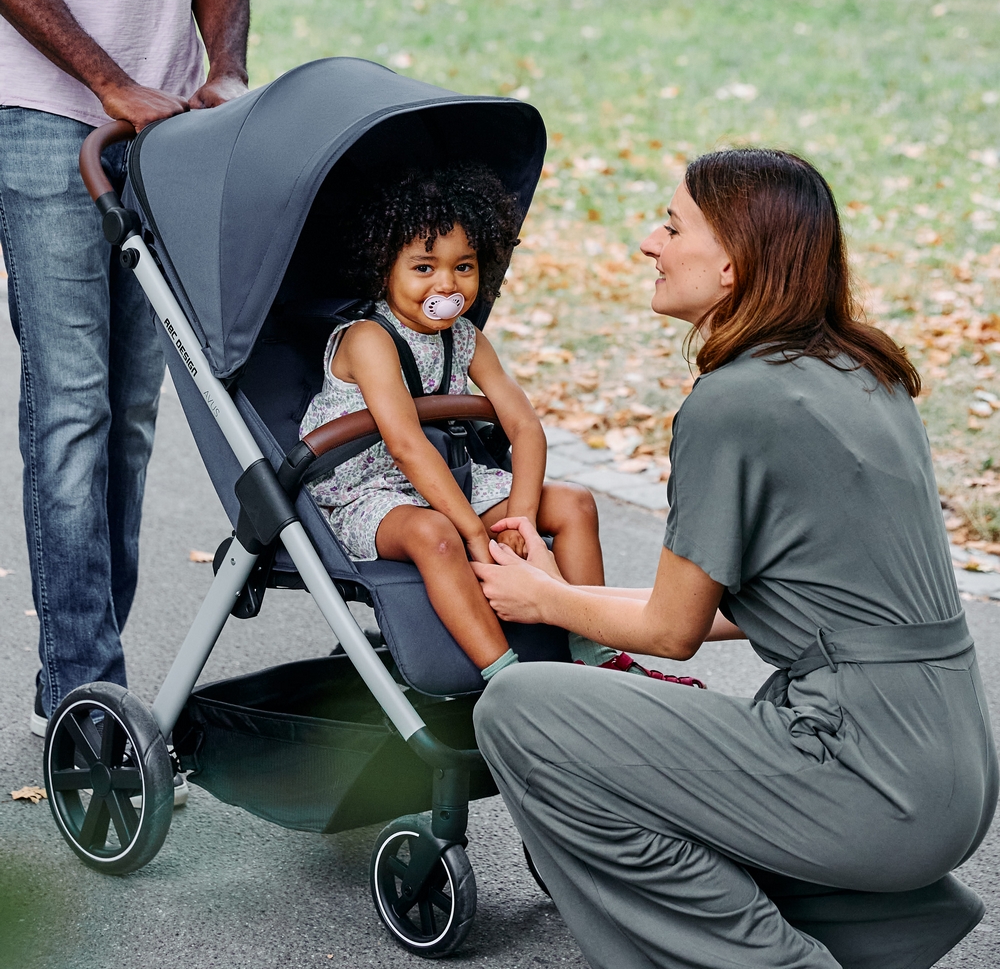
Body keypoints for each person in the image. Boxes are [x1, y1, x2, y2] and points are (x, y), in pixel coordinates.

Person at [471, 148, 998, 968]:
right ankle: (876, 934)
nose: (650, 241)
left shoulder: (733, 403)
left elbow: (672, 630)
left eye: (673, 224)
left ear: (733, 263)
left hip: (869, 778)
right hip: (953, 772)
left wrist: (542, 598)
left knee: (520, 711)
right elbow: (765, 601)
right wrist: (565, 589)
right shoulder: (864, 369)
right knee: (696, 737)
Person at [301, 164, 690, 682]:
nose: (447, 284)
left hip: (447, 477)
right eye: (424, 268)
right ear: (383, 268)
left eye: (464, 266)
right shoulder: (368, 339)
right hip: (367, 488)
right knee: (436, 533)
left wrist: (520, 522)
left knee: (573, 503)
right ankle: (506, 677)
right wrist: (474, 532)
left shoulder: (465, 338)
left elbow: (525, 427)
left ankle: (597, 655)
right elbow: (405, 446)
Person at [0, 0, 250, 754]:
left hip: (164, 121)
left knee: (130, 417)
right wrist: (110, 82)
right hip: (42, 115)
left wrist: (227, 67)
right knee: (74, 406)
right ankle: (86, 687)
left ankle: (79, 687)